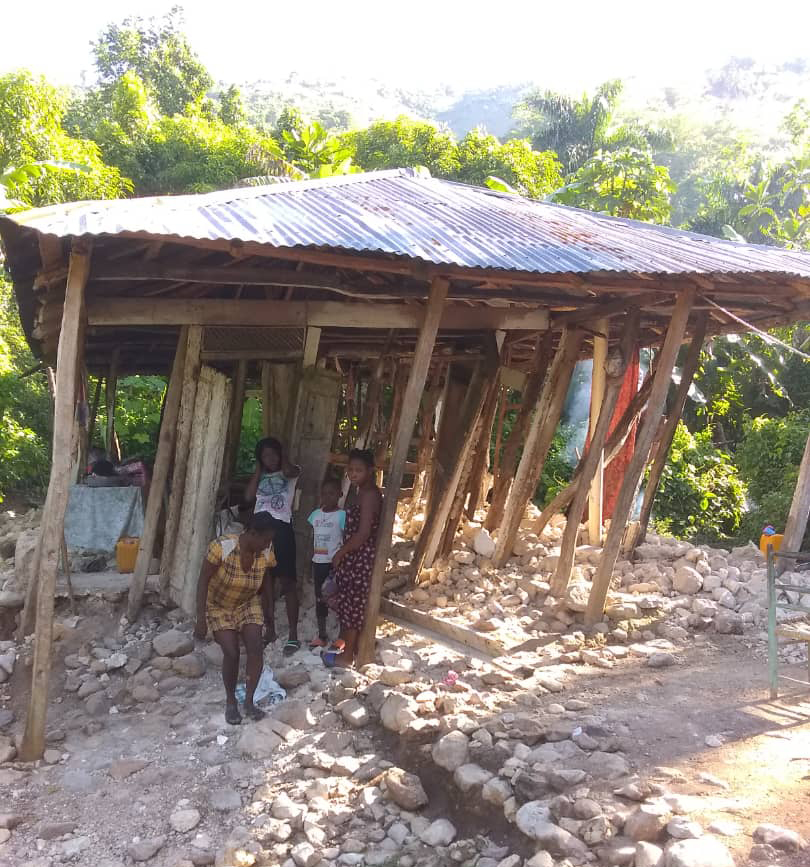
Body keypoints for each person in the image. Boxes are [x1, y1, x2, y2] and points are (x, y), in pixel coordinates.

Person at [194, 511, 278, 725]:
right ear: (251, 533)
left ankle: (249, 702)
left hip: (247, 603)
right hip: (218, 606)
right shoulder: (222, 547)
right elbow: (203, 581)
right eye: (265, 539)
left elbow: (267, 584)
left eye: (270, 540)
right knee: (231, 652)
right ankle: (231, 702)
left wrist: (270, 619)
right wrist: (201, 619)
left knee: (255, 648)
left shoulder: (266, 551)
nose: (268, 544)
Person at [244, 437, 302, 656]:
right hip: (259, 532)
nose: (270, 459)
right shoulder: (260, 475)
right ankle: (270, 630)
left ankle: (294, 634)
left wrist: (282, 456)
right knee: (265, 582)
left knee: (288, 582)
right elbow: (249, 496)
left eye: (273, 454)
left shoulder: (292, 470)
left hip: (281, 530)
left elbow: (289, 472)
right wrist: (259, 469)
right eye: (265, 456)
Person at [327, 449, 382, 667]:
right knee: (347, 605)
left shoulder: (369, 495)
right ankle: (343, 649)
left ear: (370, 471)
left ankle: (346, 656)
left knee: (352, 609)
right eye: (350, 469)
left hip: (361, 557)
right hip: (354, 556)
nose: (353, 474)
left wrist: (341, 552)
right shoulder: (360, 492)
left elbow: (363, 533)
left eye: (359, 470)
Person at [307, 478, 346, 648]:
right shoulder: (315, 515)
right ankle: (322, 635)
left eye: (332, 493)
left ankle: (342, 636)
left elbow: (346, 538)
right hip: (319, 563)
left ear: (340, 494)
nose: (327, 497)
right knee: (320, 598)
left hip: (335, 564)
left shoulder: (342, 515)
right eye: (324, 494)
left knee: (340, 599)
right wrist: (310, 560)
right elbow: (311, 538)